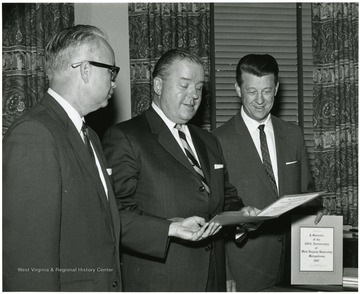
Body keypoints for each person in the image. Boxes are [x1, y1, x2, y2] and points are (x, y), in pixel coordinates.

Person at [3, 26, 218, 292]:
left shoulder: (90, 135)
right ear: (85, 70)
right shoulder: (34, 133)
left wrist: (170, 227)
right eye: (111, 71)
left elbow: (106, 220)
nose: (114, 82)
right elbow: (28, 261)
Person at [102, 48, 259, 292]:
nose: (193, 95)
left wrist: (242, 214)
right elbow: (116, 215)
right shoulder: (126, 137)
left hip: (212, 280)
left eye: (198, 87)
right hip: (161, 281)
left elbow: (224, 196)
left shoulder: (208, 140)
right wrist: (170, 228)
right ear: (157, 85)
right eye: (184, 85)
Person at [213, 54, 328, 291]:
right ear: (237, 89)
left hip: (294, 265)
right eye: (252, 91)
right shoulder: (217, 141)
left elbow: (307, 193)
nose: (259, 100)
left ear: (276, 88)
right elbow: (214, 211)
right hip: (245, 269)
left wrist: (317, 208)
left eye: (266, 91)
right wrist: (224, 273)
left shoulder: (293, 135)